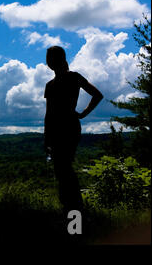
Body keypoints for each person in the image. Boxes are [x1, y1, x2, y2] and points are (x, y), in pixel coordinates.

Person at [44, 46, 103, 213]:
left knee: (64, 168)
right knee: (62, 168)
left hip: (67, 128)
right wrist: (47, 138)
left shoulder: (71, 78)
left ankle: (74, 210)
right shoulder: (52, 84)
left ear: (57, 60)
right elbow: (48, 114)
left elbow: (97, 95)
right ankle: (71, 208)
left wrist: (84, 113)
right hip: (64, 127)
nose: (49, 62)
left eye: (51, 58)